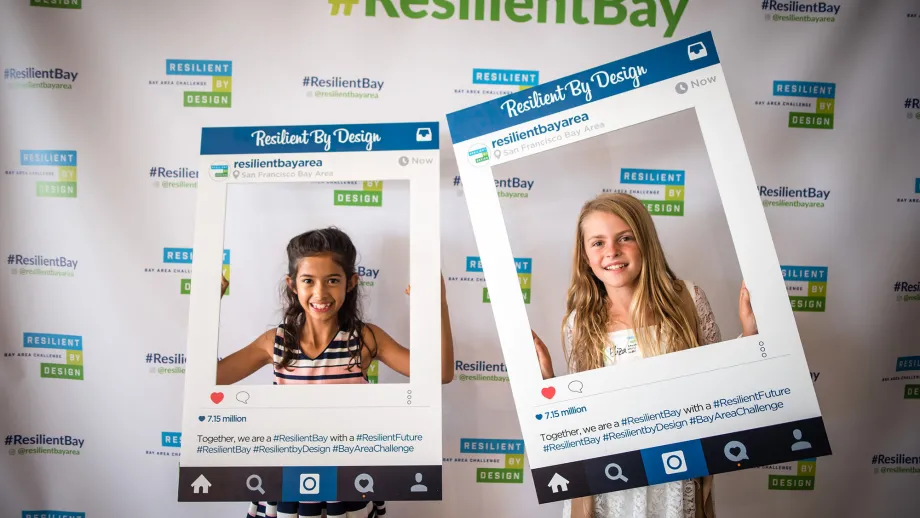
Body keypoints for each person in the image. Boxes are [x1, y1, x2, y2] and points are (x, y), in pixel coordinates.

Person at [531, 193, 758, 518]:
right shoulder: (579, 321)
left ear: (645, 242)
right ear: (585, 255)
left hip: (673, 475)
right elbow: (580, 418)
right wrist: (547, 381)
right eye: (598, 243)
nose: (611, 251)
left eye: (625, 238)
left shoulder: (687, 299)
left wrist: (751, 334)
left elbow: (720, 388)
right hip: (609, 482)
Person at [216, 227, 455, 518]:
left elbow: (440, 373)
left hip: (346, 482)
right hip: (287, 481)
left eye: (332, 280)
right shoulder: (276, 342)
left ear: (350, 282)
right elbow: (212, 378)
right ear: (293, 285)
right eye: (308, 281)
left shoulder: (364, 339)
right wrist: (207, 304)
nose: (320, 293)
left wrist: (438, 303)